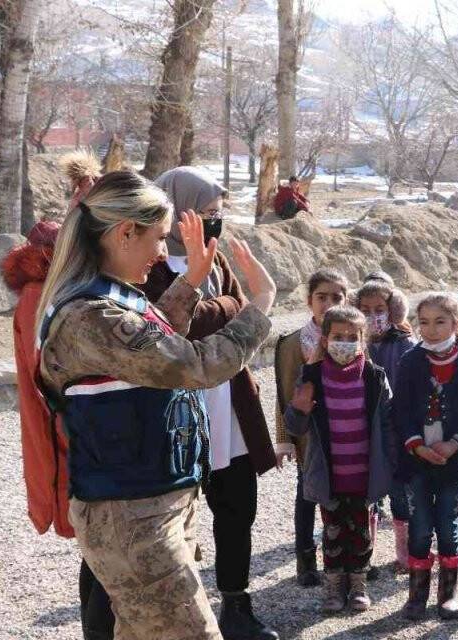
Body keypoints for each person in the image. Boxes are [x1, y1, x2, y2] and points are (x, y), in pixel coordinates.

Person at [36, 170, 276, 640]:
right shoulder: (91, 315)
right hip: (132, 517)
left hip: (152, 505)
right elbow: (193, 364)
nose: (163, 251)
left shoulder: (109, 302)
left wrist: (190, 282)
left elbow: (154, 337)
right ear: (125, 233)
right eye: (159, 238)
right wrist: (259, 306)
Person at [141, 166, 279, 640]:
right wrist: (235, 311)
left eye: (218, 212)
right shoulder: (149, 267)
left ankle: (237, 606)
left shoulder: (216, 263)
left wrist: (232, 311)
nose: (214, 221)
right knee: (177, 520)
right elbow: (189, 324)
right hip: (177, 412)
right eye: (205, 213)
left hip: (229, 407)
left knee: (237, 509)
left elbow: (241, 324)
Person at [5, 220, 119, 640]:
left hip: (73, 432)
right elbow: (54, 376)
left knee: (97, 555)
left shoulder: (44, 291)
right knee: (104, 555)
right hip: (76, 435)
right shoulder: (43, 296)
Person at [285, 306, 395, 614]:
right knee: (332, 533)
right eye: (338, 336)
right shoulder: (311, 376)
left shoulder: (375, 377)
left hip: (364, 475)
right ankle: (334, 586)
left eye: (352, 337)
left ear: (363, 340)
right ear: (324, 339)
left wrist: (391, 464)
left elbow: (388, 424)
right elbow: (295, 426)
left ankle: (358, 584)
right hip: (329, 476)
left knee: (361, 534)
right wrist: (299, 408)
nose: (344, 342)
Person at [393, 294, 458, 620]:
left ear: (456, 324)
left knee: (449, 528)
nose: (431, 330)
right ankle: (417, 595)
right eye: (424, 322)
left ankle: (448, 593)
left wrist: (454, 444)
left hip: (452, 463)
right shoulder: (410, 361)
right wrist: (417, 445)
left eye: (440, 322)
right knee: (420, 527)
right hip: (417, 461)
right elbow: (401, 409)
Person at [275, 269, 350, 587]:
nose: (329, 303)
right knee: (307, 496)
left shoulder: (352, 339)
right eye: (322, 297)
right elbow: (284, 391)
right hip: (309, 436)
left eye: (337, 297)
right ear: (309, 301)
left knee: (350, 498)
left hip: (347, 433)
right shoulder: (293, 343)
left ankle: (352, 558)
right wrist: (284, 439)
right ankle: (305, 562)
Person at [353, 277, 417, 572]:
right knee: (368, 493)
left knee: (400, 491)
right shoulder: (354, 344)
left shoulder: (405, 344)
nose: (372, 316)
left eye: (379, 309)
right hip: (363, 430)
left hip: (398, 431)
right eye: (365, 309)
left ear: (392, 310)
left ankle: (405, 554)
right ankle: (366, 554)